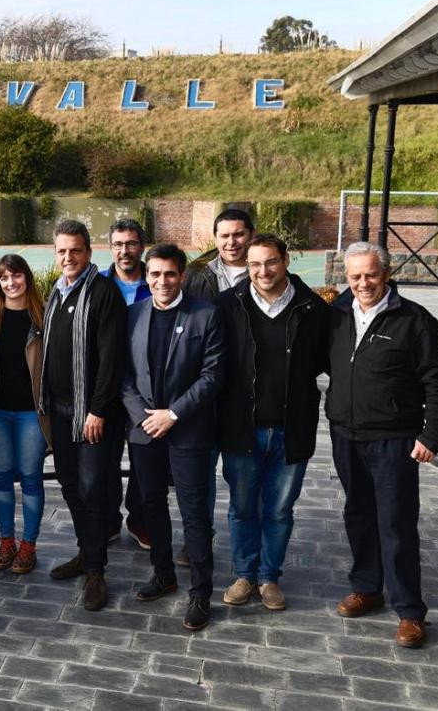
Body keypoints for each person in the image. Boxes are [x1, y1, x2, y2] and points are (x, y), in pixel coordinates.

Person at [326, 242, 438, 648]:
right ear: (345, 278)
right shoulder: (335, 315)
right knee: (358, 515)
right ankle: (367, 587)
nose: (363, 283)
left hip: (394, 441)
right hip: (346, 435)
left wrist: (432, 436)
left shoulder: (413, 319)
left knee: (396, 524)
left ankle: (410, 611)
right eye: (355, 276)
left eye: (370, 274)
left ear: (386, 273)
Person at [215, 234, 329, 612]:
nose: (263, 271)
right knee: (242, 507)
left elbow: (328, 363)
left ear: (286, 261)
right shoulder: (228, 305)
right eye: (255, 264)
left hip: (291, 430)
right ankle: (244, 574)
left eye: (271, 262)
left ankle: (269, 577)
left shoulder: (312, 308)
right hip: (240, 429)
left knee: (279, 510)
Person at [122, 244, 224, 631]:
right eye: (155, 274)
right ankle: (163, 573)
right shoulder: (133, 315)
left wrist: (174, 414)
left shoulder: (206, 315)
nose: (162, 281)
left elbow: (213, 375)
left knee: (194, 512)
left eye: (169, 274)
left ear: (182, 275)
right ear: (147, 276)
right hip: (145, 431)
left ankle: (201, 591)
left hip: (188, 430)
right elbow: (123, 376)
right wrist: (144, 417)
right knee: (151, 506)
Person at [39, 220, 127, 612]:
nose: (68, 257)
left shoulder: (104, 292)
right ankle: (85, 552)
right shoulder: (56, 292)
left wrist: (98, 408)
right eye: (62, 251)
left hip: (89, 414)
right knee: (71, 484)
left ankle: (96, 571)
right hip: (59, 409)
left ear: (89, 253)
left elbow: (111, 358)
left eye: (75, 250)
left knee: (93, 489)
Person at [180, 208, 254, 566]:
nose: (231, 242)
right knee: (199, 479)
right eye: (224, 236)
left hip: (244, 398)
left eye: (238, 234)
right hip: (203, 395)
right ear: (215, 238)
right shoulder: (197, 276)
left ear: (250, 235)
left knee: (242, 483)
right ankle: (198, 541)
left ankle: (246, 556)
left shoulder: (265, 274)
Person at [0, 254, 50, 574]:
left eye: (16, 276)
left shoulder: (44, 315)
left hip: (31, 414)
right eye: (4, 278)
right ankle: (7, 541)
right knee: (3, 477)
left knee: (32, 478)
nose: (11, 283)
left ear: (27, 278)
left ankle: (29, 544)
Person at [101, 219, 152, 551]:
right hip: (106, 385)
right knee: (104, 459)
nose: (125, 250)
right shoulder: (98, 284)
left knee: (143, 461)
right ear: (111, 247)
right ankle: (107, 520)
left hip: (144, 388)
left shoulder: (158, 279)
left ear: (142, 246)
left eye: (131, 243)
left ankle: (138, 519)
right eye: (118, 244)